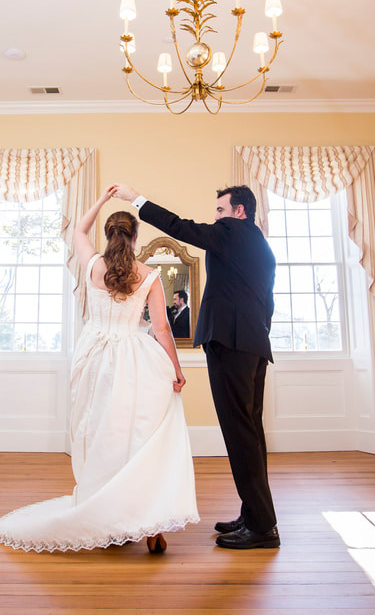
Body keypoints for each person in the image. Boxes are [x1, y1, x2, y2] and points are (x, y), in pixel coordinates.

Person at [0, 186, 199, 554]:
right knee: (140, 432)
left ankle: (105, 509)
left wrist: (102, 201)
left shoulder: (93, 266)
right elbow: (163, 329)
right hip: (133, 357)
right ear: (136, 238)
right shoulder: (148, 275)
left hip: (94, 354)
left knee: (101, 431)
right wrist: (176, 370)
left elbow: (76, 232)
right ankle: (148, 521)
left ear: (108, 234)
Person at [111, 183, 279, 549]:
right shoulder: (260, 246)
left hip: (232, 346)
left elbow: (181, 227)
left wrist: (136, 198)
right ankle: (255, 515)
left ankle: (263, 528)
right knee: (250, 431)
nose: (215, 217)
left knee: (240, 434)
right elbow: (268, 304)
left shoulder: (232, 232)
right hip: (252, 345)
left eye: (220, 210)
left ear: (239, 212)